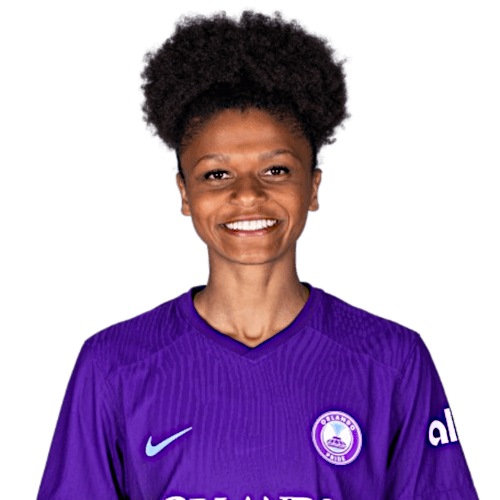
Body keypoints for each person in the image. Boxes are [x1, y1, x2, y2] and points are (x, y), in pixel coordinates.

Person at [36, 7, 479, 500]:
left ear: (313, 188)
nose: (247, 195)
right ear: (185, 195)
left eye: (276, 170)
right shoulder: (112, 364)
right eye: (216, 174)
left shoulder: (394, 359)